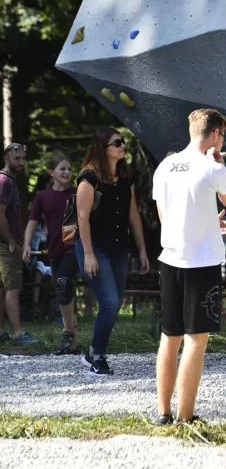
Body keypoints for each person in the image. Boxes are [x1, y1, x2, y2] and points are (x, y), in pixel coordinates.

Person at [152, 109, 226, 425]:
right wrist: (221, 164)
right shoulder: (211, 166)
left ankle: (163, 413)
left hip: (171, 259)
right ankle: (185, 417)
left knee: (169, 336)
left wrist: (207, 225)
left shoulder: (164, 167)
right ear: (215, 134)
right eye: (223, 135)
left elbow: (167, 217)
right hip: (202, 263)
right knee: (196, 339)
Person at [76, 128, 150, 375]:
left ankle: (93, 351)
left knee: (114, 305)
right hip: (94, 247)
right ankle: (97, 356)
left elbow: (133, 215)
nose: (122, 146)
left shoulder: (124, 178)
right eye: (116, 143)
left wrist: (142, 251)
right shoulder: (89, 178)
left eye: (122, 142)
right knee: (110, 303)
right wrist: (88, 254)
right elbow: (82, 218)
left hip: (119, 248)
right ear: (102, 148)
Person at [23, 153, 81, 353]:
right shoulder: (43, 196)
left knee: (62, 282)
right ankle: (73, 343)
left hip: (74, 248)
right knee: (64, 289)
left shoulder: (77, 194)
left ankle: (67, 332)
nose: (66, 172)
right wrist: (27, 244)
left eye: (69, 169)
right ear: (52, 172)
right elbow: (33, 220)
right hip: (54, 250)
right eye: (62, 169)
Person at [0, 143, 38, 345]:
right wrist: (11, 240)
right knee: (13, 289)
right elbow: (0, 214)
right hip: (6, 245)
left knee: (3, 288)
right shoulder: (4, 181)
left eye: (24, 158)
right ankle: (18, 334)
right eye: (17, 159)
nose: (22, 162)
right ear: (7, 159)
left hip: (6, 244)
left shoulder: (9, 181)